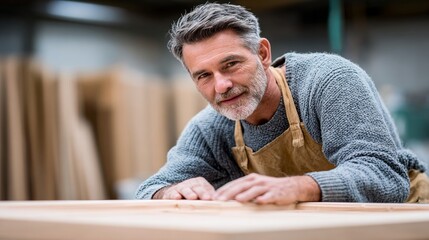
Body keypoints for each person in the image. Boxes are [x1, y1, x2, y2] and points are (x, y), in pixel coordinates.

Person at [135, 2, 429, 204]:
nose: (221, 85)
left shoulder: (328, 82)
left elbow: (383, 175)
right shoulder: (209, 130)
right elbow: (148, 189)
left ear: (263, 53)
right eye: (203, 76)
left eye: (231, 64)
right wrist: (171, 192)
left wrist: (298, 185)